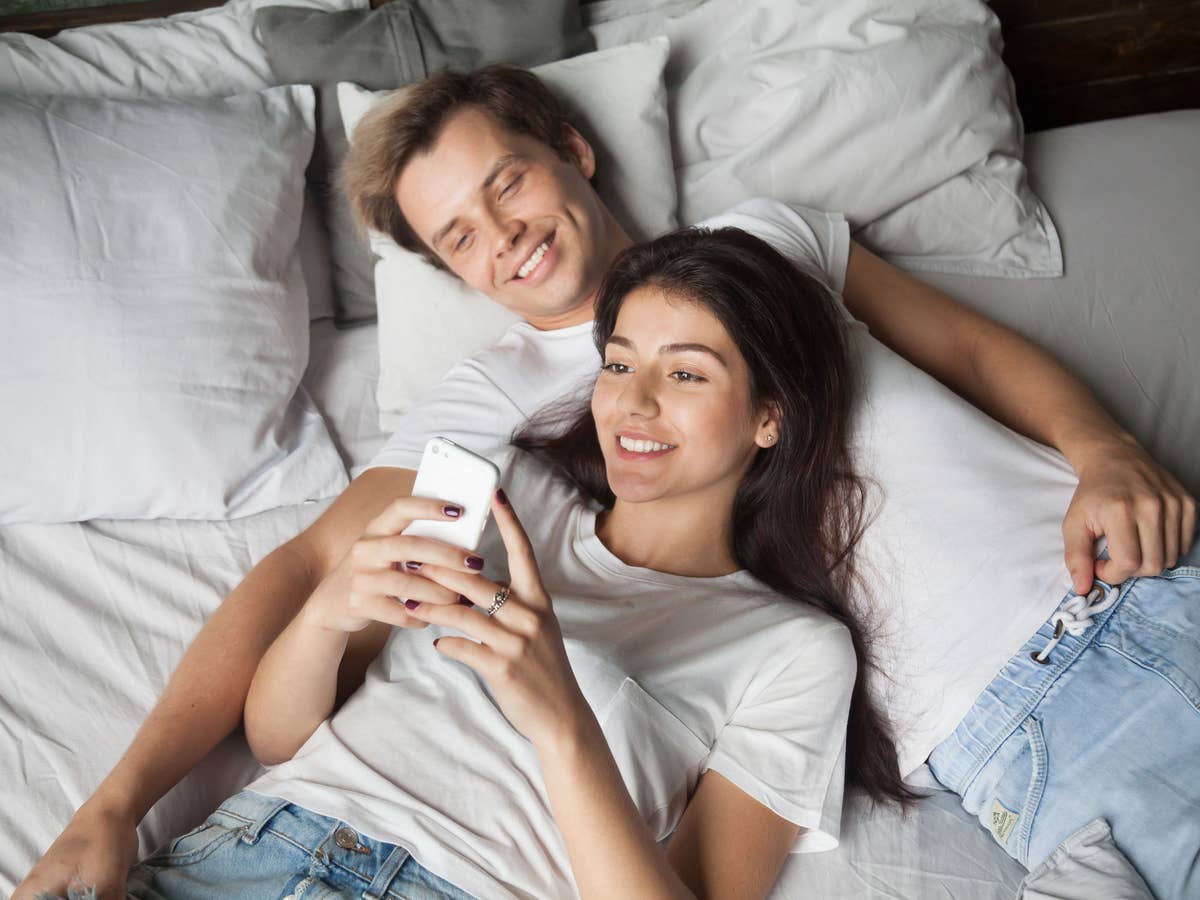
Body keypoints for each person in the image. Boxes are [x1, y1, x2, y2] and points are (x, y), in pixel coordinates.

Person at [17, 64, 1194, 898]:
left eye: (507, 186)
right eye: (460, 241)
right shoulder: (498, 422)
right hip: (1007, 708)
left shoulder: (768, 242)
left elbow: (970, 350)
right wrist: (112, 805)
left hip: (1124, 561)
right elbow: (309, 582)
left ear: (572, 154)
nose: (502, 238)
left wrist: (1105, 449)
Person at [121, 227, 899, 898]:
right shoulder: (509, 493)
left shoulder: (796, 652)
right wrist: (328, 615)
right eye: (620, 364)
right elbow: (279, 741)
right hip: (254, 850)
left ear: (771, 417)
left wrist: (562, 718)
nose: (633, 403)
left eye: (686, 373)